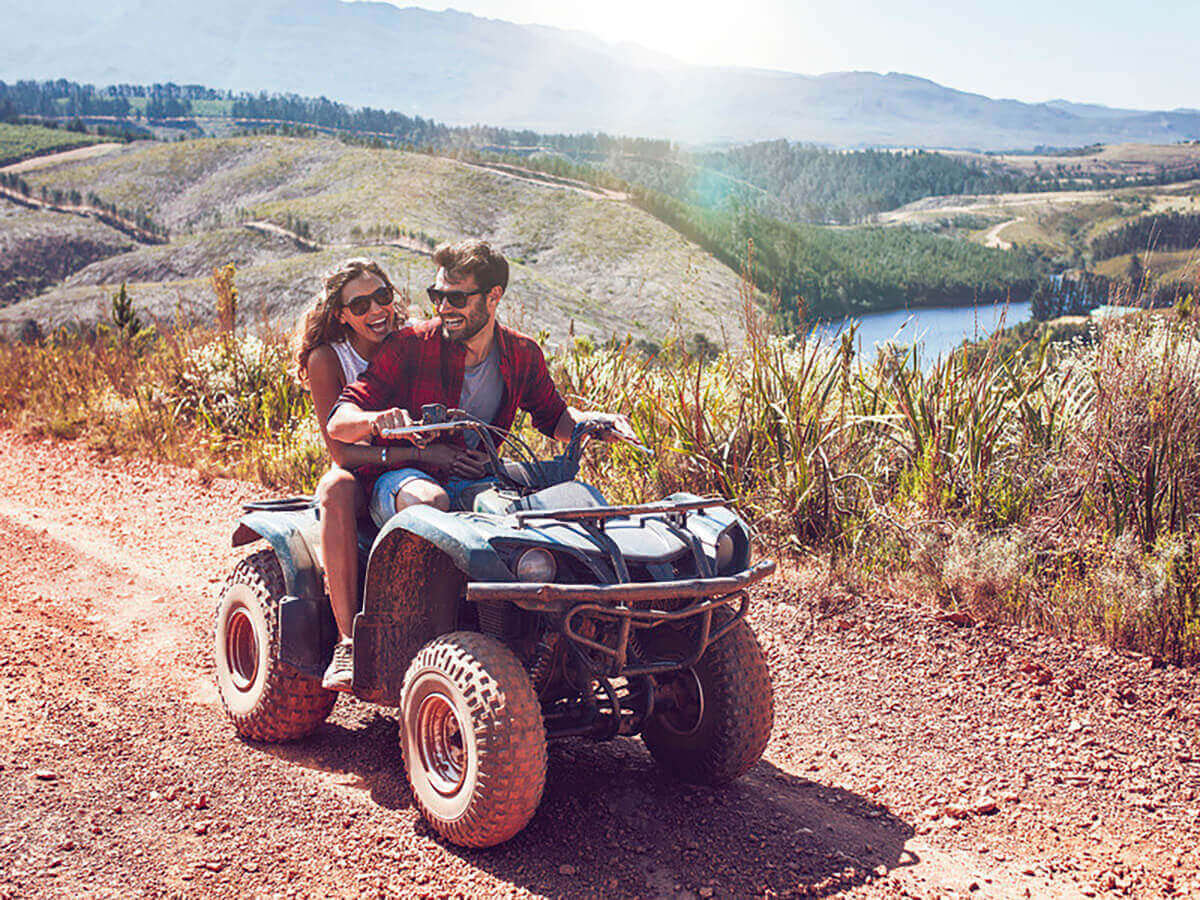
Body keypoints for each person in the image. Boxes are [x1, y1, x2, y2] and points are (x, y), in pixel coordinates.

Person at [328, 237, 634, 537]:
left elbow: (555, 418)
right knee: (431, 501)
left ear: (493, 296)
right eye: (437, 296)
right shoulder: (410, 345)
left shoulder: (521, 353)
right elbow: (338, 422)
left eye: (457, 299)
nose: (443, 308)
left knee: (576, 505)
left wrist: (599, 423)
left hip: (481, 478)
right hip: (405, 478)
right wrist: (374, 420)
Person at [293, 257, 419, 692]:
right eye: (360, 304)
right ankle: (347, 642)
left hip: (415, 464)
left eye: (381, 297)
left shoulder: (410, 343)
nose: (375, 311)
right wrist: (395, 453)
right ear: (340, 315)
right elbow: (340, 451)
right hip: (363, 470)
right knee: (335, 489)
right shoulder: (327, 359)